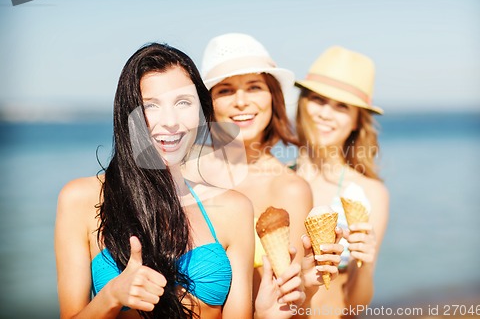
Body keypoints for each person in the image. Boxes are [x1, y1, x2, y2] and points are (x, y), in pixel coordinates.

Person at [55, 42, 298, 319]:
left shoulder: (235, 208)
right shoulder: (80, 199)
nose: (170, 121)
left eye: (183, 102)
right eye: (151, 106)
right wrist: (111, 297)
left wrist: (266, 316)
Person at [194, 33, 342, 318]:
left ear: (273, 97)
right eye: (225, 90)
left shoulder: (291, 189)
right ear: (209, 103)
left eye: (254, 87)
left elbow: (292, 300)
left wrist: (309, 285)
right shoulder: (183, 170)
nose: (241, 101)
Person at [294, 46, 390, 318]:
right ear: (302, 103)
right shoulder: (276, 176)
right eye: (318, 99)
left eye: (341, 106)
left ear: (358, 120)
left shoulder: (370, 193)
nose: (325, 113)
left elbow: (357, 304)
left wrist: (365, 264)